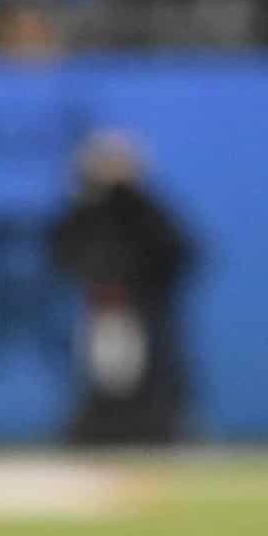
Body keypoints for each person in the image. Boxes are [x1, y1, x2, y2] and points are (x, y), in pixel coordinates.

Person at [47, 130, 196, 444]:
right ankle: (95, 432)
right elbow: (61, 252)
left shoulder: (147, 212)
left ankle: (161, 430)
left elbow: (182, 254)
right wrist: (99, 281)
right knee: (103, 376)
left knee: (152, 374)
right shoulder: (85, 214)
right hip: (102, 312)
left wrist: (137, 285)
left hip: (146, 311)